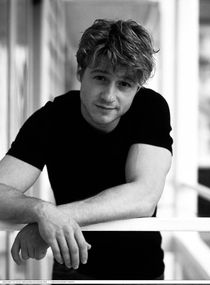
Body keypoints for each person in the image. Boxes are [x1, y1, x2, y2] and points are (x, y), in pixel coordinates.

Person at [0, 19, 173, 280]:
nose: (109, 96)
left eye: (124, 84)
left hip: (140, 272)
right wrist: (41, 212)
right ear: (81, 72)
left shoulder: (150, 109)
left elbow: (144, 196)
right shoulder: (51, 119)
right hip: (72, 270)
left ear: (137, 87)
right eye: (101, 78)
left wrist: (56, 218)